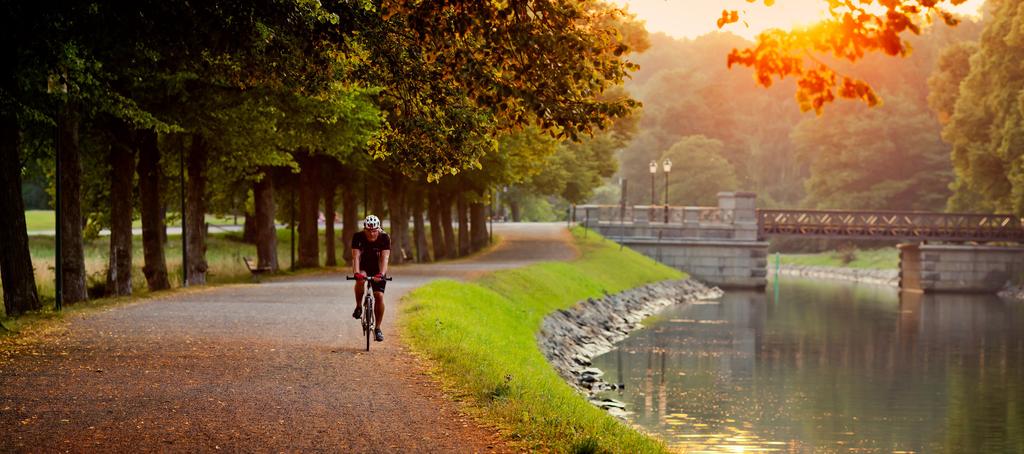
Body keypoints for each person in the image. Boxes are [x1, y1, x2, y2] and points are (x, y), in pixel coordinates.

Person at [351, 214, 390, 342]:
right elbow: (355, 257)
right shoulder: (358, 237)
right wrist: (356, 273)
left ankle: (378, 328)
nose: (372, 234)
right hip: (364, 265)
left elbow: (385, 258)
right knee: (360, 279)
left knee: (379, 296)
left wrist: (382, 274)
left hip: (378, 268)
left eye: (374, 231)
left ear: (378, 229)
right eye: (369, 231)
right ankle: (358, 306)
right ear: (364, 229)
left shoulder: (384, 237)